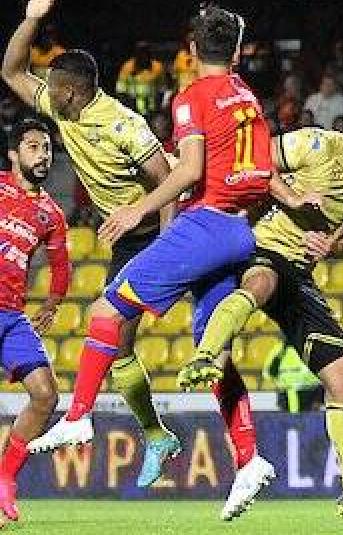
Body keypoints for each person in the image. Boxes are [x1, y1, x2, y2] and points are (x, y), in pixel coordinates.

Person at [28, 6, 321, 521]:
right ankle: (248, 458)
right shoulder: (246, 96)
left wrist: (137, 208)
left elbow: (187, 170)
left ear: (192, 48)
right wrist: (294, 200)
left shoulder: (193, 98)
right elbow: (260, 171)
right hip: (238, 231)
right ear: (236, 52)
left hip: (205, 225)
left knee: (106, 311)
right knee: (213, 349)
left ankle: (78, 416)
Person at [180, 101, 343, 531]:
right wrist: (291, 197)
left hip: (300, 275)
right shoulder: (317, 144)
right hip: (262, 247)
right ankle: (206, 355)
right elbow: (256, 162)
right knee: (260, 284)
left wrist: (333, 247)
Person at [2, 0, 180, 488]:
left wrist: (167, 251)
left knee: (107, 319)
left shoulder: (124, 125)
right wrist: (32, 19)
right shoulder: (64, 110)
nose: (45, 89)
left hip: (156, 236)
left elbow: (169, 183)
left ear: (70, 91)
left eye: (52, 84)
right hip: (127, 243)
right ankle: (156, 435)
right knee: (118, 348)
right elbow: (11, 71)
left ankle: (80, 415)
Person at [0, 119, 68, 526]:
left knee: (45, 395)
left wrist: (53, 302)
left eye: (47, 148)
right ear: (13, 153)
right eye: (33, 147)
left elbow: (61, 265)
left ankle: (4, 479)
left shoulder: (51, 213)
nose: (43, 155)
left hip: (11, 316)